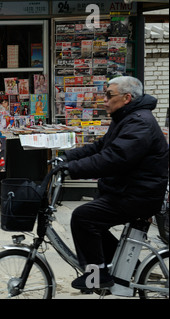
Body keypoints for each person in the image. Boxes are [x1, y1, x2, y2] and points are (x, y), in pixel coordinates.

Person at [58, 76, 168, 290]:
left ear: (127, 98)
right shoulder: (126, 117)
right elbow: (101, 147)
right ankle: (128, 270)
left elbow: (114, 158)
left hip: (138, 196)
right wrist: (67, 157)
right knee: (93, 223)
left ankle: (97, 276)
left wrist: (73, 169)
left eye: (109, 95)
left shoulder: (139, 122)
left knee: (83, 218)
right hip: (127, 190)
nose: (104, 101)